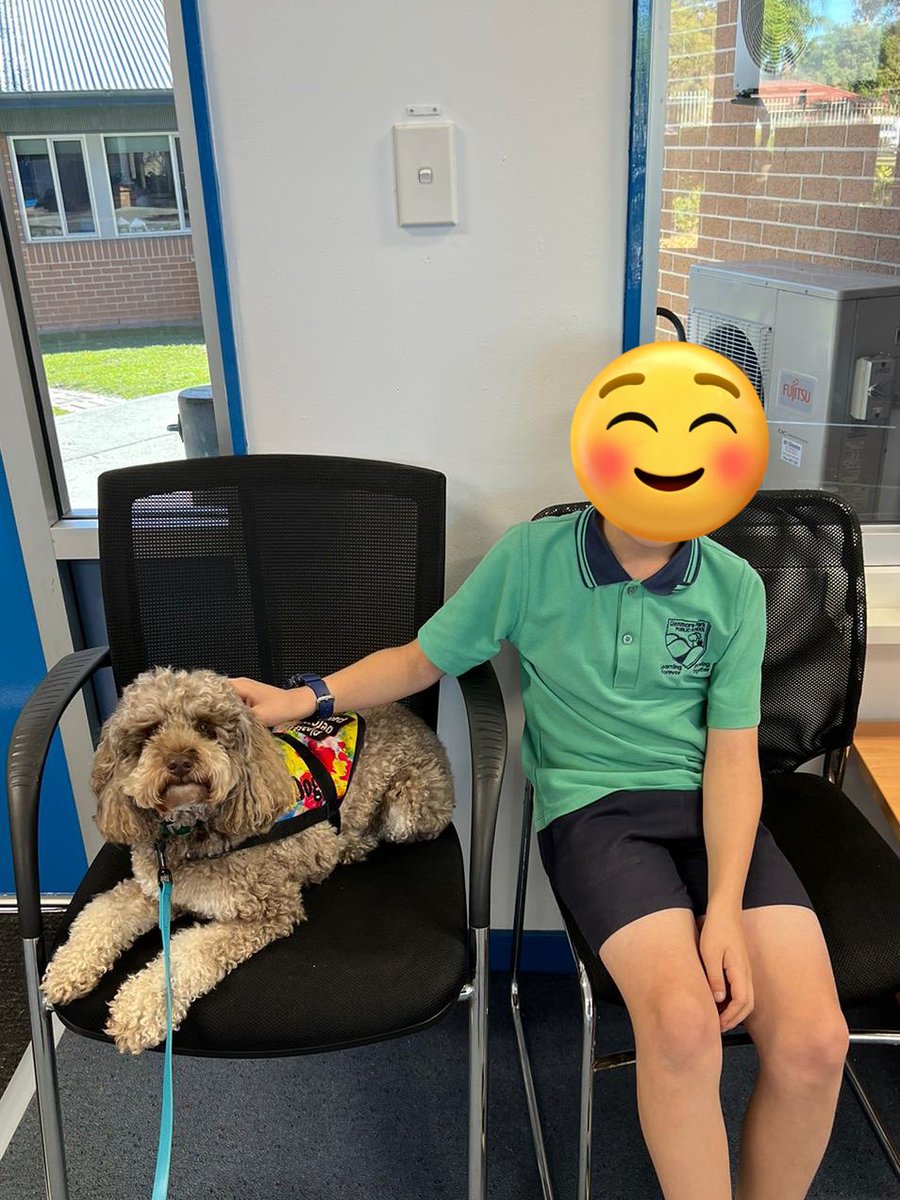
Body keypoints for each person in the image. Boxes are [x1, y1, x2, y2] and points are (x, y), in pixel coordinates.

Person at [232, 345, 849, 1200]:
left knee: (818, 1043)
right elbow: (421, 660)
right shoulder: (531, 557)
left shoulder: (736, 587)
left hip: (713, 810)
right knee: (681, 1030)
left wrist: (723, 912)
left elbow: (736, 757)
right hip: (597, 815)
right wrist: (305, 699)